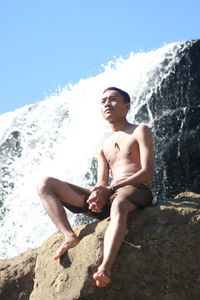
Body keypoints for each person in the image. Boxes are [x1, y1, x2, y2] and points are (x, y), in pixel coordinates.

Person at [37, 87, 154, 288]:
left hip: (135, 189)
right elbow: (102, 181)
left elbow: (148, 171)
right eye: (103, 101)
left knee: (119, 204)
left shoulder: (139, 130)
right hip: (111, 194)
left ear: (127, 106)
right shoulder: (103, 144)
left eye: (113, 99)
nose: (107, 104)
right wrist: (98, 193)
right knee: (45, 183)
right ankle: (69, 236)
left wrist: (112, 187)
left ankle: (105, 267)